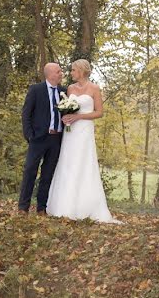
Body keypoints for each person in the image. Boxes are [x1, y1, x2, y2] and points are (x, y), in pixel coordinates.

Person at [46, 59, 120, 223]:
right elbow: (63, 107)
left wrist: (78, 116)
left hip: (84, 131)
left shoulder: (94, 88)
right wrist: (65, 116)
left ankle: (86, 206)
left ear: (81, 71)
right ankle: (63, 206)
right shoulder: (70, 89)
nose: (70, 73)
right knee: (68, 163)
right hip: (70, 133)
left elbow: (99, 112)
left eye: (73, 70)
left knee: (84, 164)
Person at [18, 62, 65, 215]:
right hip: (38, 138)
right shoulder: (36, 90)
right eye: (58, 71)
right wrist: (29, 135)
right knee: (30, 171)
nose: (61, 73)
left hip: (56, 139)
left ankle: (41, 207)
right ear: (50, 74)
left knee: (48, 174)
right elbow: (26, 114)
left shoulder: (64, 92)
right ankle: (23, 207)